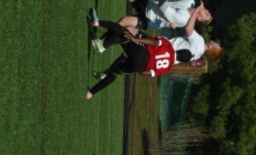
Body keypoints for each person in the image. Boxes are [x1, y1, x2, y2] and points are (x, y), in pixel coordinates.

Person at [85, 9, 223, 100]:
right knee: (118, 68)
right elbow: (149, 73)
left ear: (212, 49)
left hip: (153, 50)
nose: (218, 43)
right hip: (144, 65)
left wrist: (197, 11)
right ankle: (92, 91)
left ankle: (100, 37)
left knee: (127, 31)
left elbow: (184, 30)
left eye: (218, 46)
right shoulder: (194, 56)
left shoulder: (198, 42)